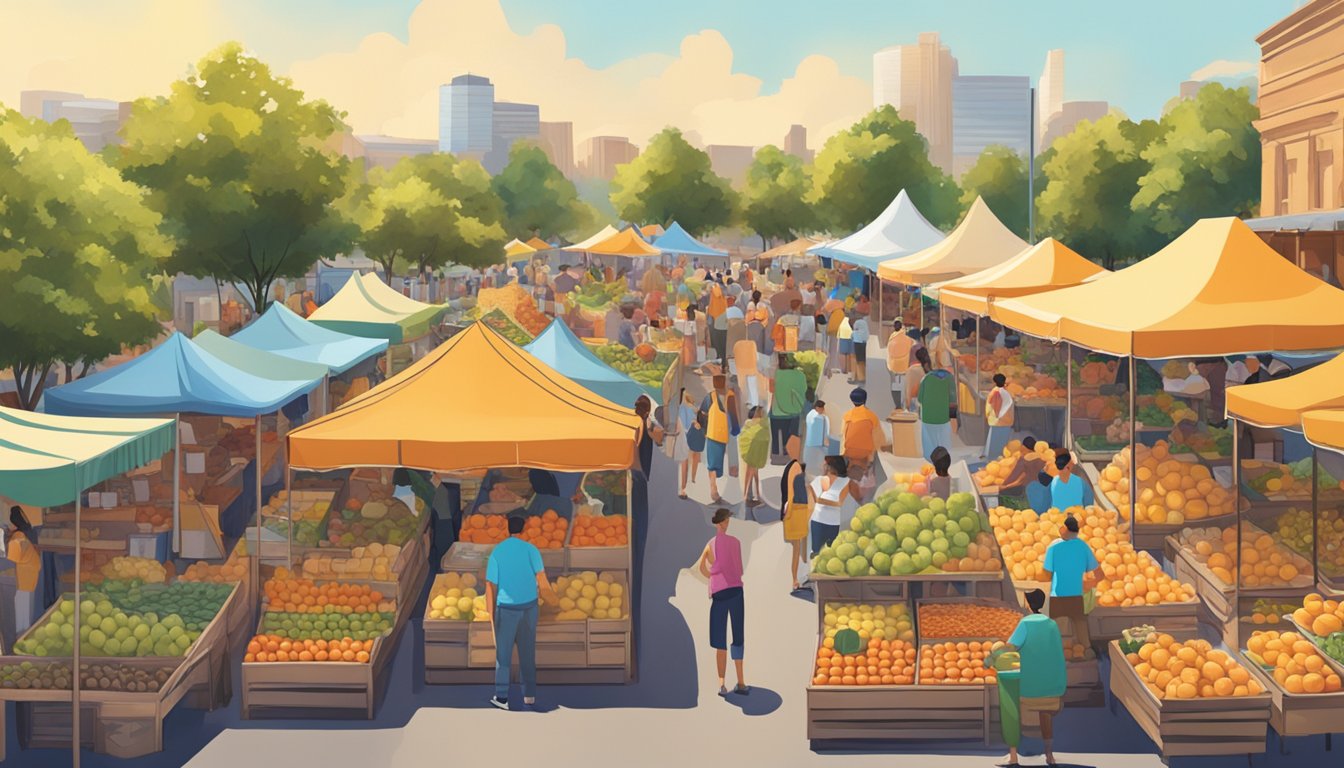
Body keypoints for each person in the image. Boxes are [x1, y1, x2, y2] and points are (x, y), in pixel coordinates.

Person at [486, 515, 557, 710]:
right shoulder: (531, 550)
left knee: (503, 655)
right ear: (524, 530)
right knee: (527, 652)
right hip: (529, 608)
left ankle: (502, 698)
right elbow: (542, 581)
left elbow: (490, 587)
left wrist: (491, 615)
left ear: (506, 530)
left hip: (506, 609)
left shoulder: (497, 552)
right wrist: (554, 602)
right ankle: (530, 695)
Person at [990, 588, 1067, 767]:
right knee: (1045, 714)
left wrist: (992, 657)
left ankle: (1013, 755)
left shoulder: (1025, 624)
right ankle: (1049, 755)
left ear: (1027, 603)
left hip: (1029, 686)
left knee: (1012, 710)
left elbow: (1010, 647)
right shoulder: (1052, 624)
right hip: (1051, 685)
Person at [699, 508, 748, 696]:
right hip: (736, 591)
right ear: (722, 523)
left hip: (719, 594)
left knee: (720, 638)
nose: (728, 524)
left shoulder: (710, 545)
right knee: (738, 636)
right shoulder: (736, 543)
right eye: (726, 521)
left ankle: (721, 683)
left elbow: (702, 567)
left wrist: (712, 577)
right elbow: (740, 570)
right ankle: (741, 682)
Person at [1043, 515, 1103, 654]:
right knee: (1080, 624)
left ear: (1065, 530)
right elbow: (1100, 574)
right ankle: (1087, 651)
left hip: (1057, 594)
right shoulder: (1083, 547)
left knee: (1054, 625)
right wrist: (1089, 584)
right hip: (1076, 595)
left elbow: (1046, 574)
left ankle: (1053, 653)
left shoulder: (1054, 547)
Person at [810, 455, 862, 554]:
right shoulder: (819, 479)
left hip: (833, 522)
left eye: (824, 464)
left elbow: (839, 502)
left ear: (830, 467)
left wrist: (819, 500)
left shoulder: (845, 481)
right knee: (816, 551)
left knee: (832, 551)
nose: (822, 466)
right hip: (818, 521)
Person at [780, 436, 813, 592]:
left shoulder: (791, 466)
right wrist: (789, 513)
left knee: (798, 546)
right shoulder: (795, 468)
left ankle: (797, 577)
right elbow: (792, 493)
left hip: (796, 509)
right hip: (796, 510)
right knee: (797, 547)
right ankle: (795, 578)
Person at [701, 374, 739, 503]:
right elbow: (734, 415)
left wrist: (704, 429)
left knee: (712, 463)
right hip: (725, 434)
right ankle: (716, 487)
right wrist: (735, 429)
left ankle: (713, 488)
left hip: (712, 433)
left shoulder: (710, 397)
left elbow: (702, 413)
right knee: (721, 460)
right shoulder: (730, 396)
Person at [913, 348, 955, 460]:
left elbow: (920, 399)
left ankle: (930, 463)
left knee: (929, 444)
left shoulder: (926, 379)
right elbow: (953, 398)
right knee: (944, 441)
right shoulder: (950, 378)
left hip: (928, 418)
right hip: (943, 417)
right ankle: (944, 461)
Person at [769, 353, 808, 460]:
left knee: (776, 435)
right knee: (790, 435)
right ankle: (789, 454)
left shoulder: (775, 374)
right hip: (794, 411)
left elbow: (771, 390)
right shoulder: (800, 375)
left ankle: (776, 454)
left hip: (776, 411)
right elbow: (803, 391)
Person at [841, 387, 882, 484]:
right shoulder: (872, 416)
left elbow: (843, 435)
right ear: (865, 400)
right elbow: (877, 439)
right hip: (865, 453)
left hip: (849, 451)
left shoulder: (847, 416)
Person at [7, 507, 39, 635]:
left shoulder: (17, 538)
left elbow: (10, 561)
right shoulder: (28, 534)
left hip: (23, 581)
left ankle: (21, 640)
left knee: (21, 615)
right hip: (31, 578)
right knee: (27, 612)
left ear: (14, 524)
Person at [738, 406, 770, 507]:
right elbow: (764, 437)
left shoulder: (749, 423)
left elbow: (744, 436)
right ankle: (748, 496)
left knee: (753, 474)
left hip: (751, 452)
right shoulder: (763, 423)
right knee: (752, 474)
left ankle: (755, 496)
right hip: (754, 452)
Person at [675, 389, 702, 499]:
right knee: (691, 460)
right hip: (692, 436)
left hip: (683, 437)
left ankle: (683, 488)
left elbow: (682, 425)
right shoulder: (694, 409)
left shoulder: (681, 409)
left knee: (684, 463)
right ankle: (689, 483)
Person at [984, 372, 1016, 460]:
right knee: (1002, 441)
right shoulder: (1006, 393)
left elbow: (992, 408)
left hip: (997, 421)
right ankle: (997, 457)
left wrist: (989, 416)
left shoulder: (995, 392)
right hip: (1006, 421)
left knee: (994, 441)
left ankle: (992, 458)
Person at [887, 320, 914, 410]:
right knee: (906, 385)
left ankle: (898, 405)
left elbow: (889, 352)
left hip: (894, 365)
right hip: (905, 365)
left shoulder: (891, 338)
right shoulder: (908, 338)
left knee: (895, 385)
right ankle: (907, 404)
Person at [803, 400, 829, 473]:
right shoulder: (819, 417)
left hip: (810, 442)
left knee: (810, 459)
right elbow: (823, 432)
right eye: (822, 408)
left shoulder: (810, 414)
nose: (823, 410)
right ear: (818, 408)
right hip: (817, 443)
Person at [850, 312, 870, 385]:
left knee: (858, 361)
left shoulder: (856, 324)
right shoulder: (865, 324)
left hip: (857, 343)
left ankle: (859, 377)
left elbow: (853, 331)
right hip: (864, 343)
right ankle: (863, 376)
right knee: (863, 360)